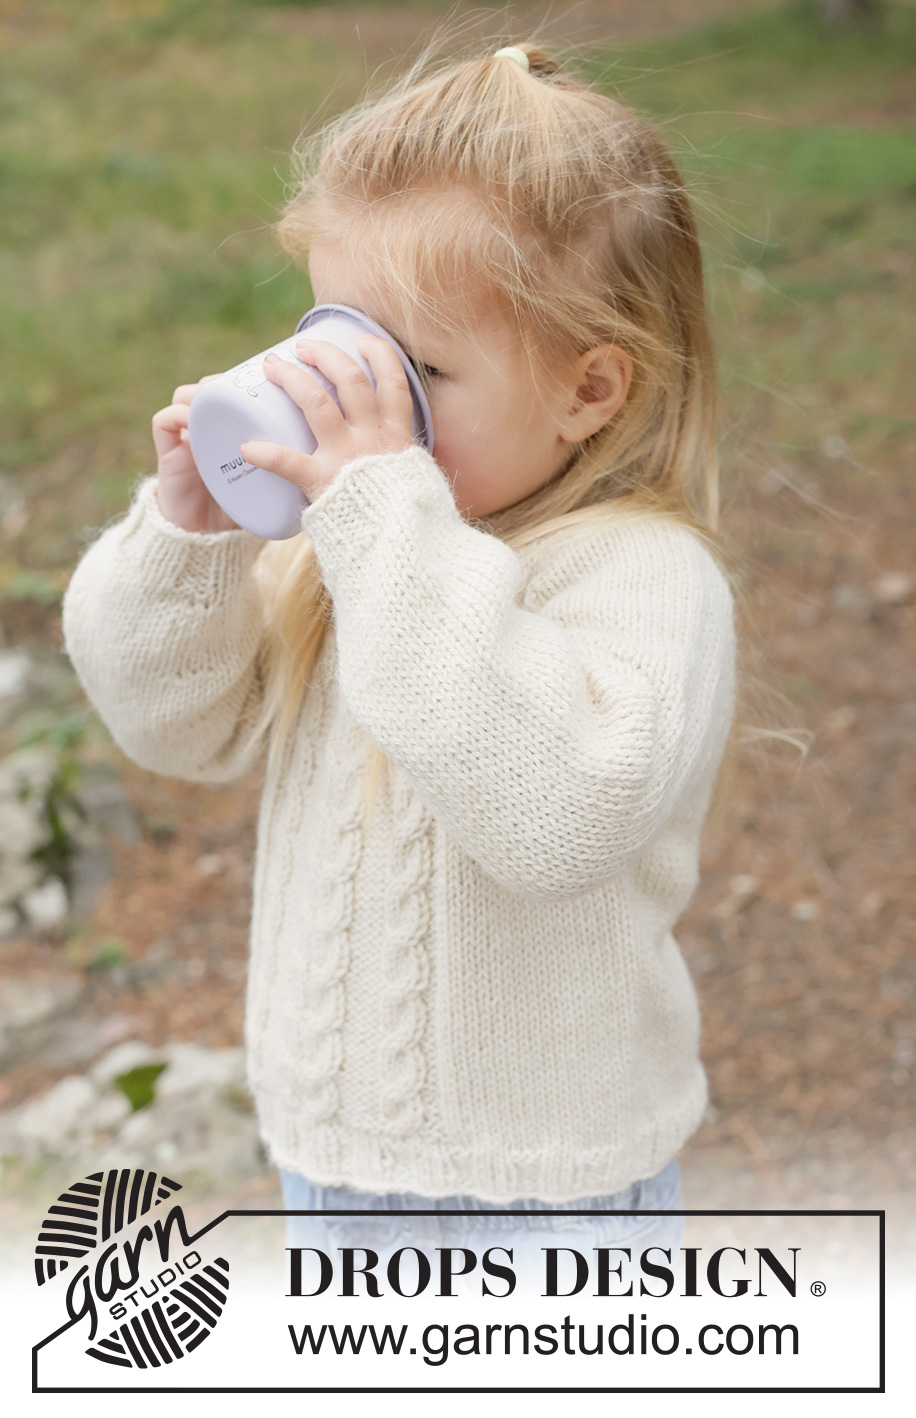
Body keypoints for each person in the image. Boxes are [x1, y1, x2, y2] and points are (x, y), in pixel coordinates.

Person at [61, 41, 735, 1284]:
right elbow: (172, 724)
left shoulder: (640, 578)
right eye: (339, 339)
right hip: (329, 1155)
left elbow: (555, 813)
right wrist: (189, 534)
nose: (357, 404)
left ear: (589, 387)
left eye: (416, 370)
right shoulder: (352, 542)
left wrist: (384, 518)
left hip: (544, 1193)